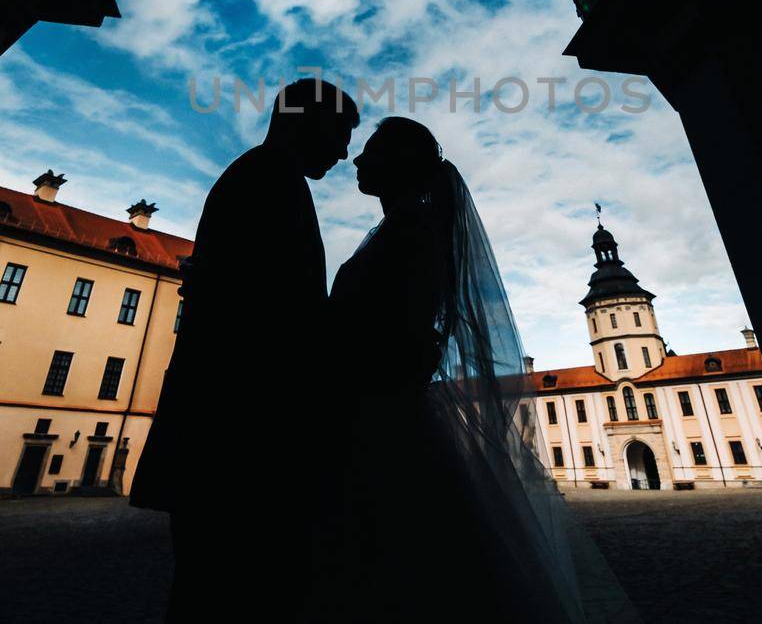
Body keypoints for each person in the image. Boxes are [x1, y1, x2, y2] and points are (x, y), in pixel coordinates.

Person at [308, 117, 585, 622]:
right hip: (382, 408)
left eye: (371, 151)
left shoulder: (410, 233)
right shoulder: (404, 230)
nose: (357, 160)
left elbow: (401, 334)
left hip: (377, 413)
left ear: (399, 165)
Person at [131, 78, 359, 621]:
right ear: (303, 121)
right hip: (239, 429)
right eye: (340, 133)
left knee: (213, 583)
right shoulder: (268, 180)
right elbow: (278, 314)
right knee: (232, 586)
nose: (345, 152)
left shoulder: (262, 176)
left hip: (224, 424)